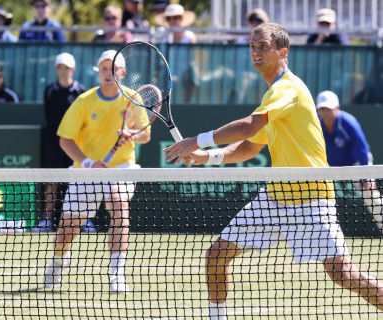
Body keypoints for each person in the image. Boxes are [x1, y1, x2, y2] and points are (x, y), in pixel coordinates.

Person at [163, 23, 383, 319]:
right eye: (253, 46)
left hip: (312, 197)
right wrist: (206, 157)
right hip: (275, 198)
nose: (255, 52)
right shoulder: (273, 96)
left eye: (263, 46)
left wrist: (196, 140)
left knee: (342, 275)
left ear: (282, 51)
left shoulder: (287, 88)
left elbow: (250, 126)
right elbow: (249, 147)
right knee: (216, 255)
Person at [43, 50, 151, 293]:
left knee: (118, 202)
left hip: (122, 166)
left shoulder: (133, 98)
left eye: (113, 69)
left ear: (122, 73)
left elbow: (145, 134)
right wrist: (88, 162)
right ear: (98, 72)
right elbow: (65, 139)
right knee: (68, 228)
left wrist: (131, 135)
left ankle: (116, 273)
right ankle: (59, 261)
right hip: (87, 170)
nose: (108, 73)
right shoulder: (84, 101)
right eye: (104, 68)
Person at [33, 52, 87, 232]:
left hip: (76, 144)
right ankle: (47, 220)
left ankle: (85, 221)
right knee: (52, 181)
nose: (64, 71)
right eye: (60, 68)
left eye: (67, 68)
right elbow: (49, 115)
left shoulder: (82, 92)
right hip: (53, 143)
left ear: (73, 69)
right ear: (57, 69)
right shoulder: (49, 91)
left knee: (80, 182)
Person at [316, 90, 383, 231]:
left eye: (329, 108)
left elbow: (362, 149)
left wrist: (365, 176)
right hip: (329, 167)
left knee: (371, 194)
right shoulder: (316, 125)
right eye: (322, 108)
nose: (325, 112)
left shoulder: (349, 122)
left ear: (337, 108)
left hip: (356, 165)